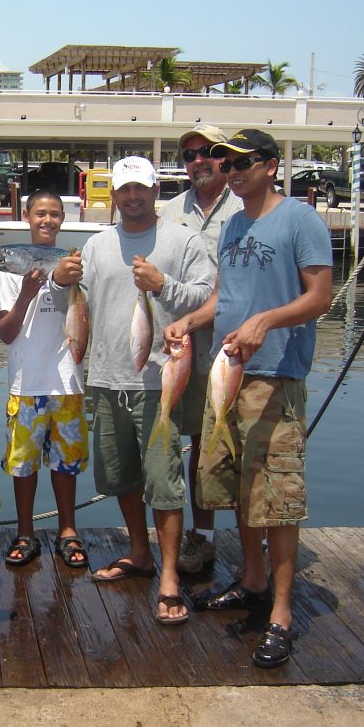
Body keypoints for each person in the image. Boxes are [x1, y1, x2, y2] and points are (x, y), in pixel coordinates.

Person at [165, 129, 332, 667]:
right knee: (239, 487)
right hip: (226, 372)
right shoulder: (235, 223)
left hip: (275, 378)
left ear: (270, 165)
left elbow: (320, 297)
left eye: (242, 162)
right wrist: (188, 320)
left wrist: (267, 320)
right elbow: (225, 296)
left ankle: (281, 612)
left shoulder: (300, 219)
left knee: (276, 498)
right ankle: (253, 578)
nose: (231, 170)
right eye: (223, 161)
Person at [52, 156, 212, 626]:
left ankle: (168, 578)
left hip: (159, 380)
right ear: (114, 195)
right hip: (104, 380)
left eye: (141, 188)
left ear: (155, 189)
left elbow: (208, 296)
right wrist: (61, 282)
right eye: (125, 190)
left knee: (163, 479)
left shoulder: (183, 239)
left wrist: (163, 286)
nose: (133, 196)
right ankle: (139, 553)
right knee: (120, 475)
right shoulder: (98, 245)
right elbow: (71, 306)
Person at [159, 124, 244, 575]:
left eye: (209, 152)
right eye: (190, 154)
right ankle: (202, 536)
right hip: (185, 348)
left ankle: (259, 540)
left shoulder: (246, 207)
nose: (198, 161)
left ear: (226, 157)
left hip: (236, 350)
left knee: (241, 447)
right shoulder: (169, 212)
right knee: (192, 442)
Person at [0, 190, 89, 569]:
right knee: (23, 465)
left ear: (62, 219)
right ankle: (25, 530)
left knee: (66, 464)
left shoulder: (74, 264)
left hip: (66, 382)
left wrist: (63, 282)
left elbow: (82, 313)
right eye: (39, 214)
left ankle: (68, 530)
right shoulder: (10, 271)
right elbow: (7, 333)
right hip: (25, 383)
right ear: (27, 217)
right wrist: (28, 294)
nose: (46, 221)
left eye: (53, 215)